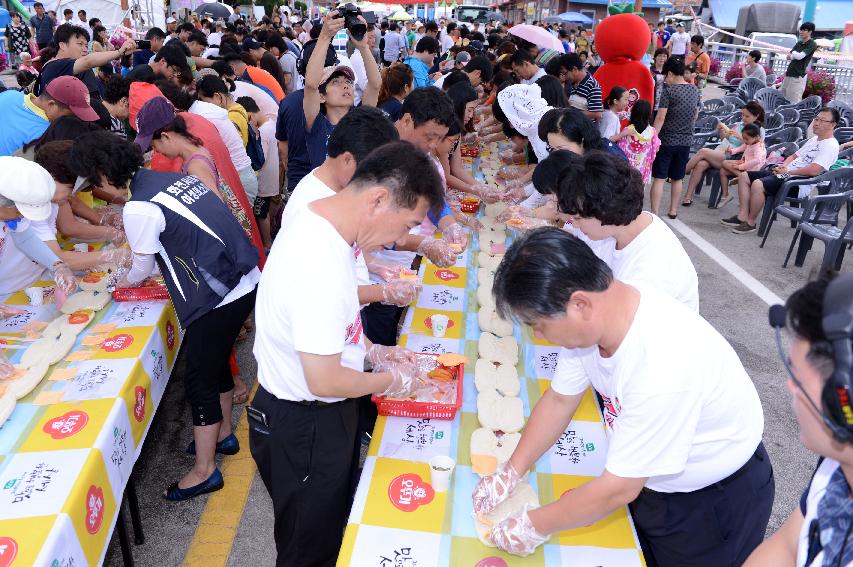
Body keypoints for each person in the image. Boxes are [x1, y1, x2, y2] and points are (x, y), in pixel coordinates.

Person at [475, 227, 771, 563]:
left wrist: (531, 524)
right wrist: (511, 470)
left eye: (538, 325)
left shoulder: (660, 364)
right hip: (649, 477)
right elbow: (560, 400)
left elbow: (618, 487)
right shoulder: (602, 317)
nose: (540, 337)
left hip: (709, 504)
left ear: (579, 304)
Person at [250, 141, 443, 566]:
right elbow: (326, 380)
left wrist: (375, 352)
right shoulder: (317, 258)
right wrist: (395, 381)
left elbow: (335, 325)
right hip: (306, 423)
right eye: (406, 224)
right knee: (308, 549)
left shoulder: (327, 228)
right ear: (378, 199)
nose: (400, 240)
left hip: (318, 415)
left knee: (327, 528)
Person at [71, 130, 259, 501]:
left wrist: (119, 285)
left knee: (199, 380)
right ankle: (222, 436)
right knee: (216, 362)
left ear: (105, 176)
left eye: (94, 184)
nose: (98, 192)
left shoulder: (139, 206)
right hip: (243, 280)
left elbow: (141, 264)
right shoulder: (172, 179)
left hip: (217, 294)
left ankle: (205, 472)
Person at [745, 273, 853, 567]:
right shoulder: (837, 466)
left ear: (845, 397)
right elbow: (789, 546)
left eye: (798, 378)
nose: (790, 387)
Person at [724, 107, 840, 234]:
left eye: (823, 121)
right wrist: (783, 166)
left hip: (798, 183)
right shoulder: (814, 140)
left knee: (758, 184)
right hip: (786, 174)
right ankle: (742, 216)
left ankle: (750, 223)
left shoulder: (831, 145)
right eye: (816, 119)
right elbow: (793, 156)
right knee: (744, 176)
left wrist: (787, 172)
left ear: (833, 124)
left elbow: (814, 171)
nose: (817, 123)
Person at [304, 12, 380, 169]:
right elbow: (311, 85)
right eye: (336, 82)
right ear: (321, 96)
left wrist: (363, 47)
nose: (345, 86)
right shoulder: (317, 125)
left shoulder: (359, 121)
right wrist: (325, 37)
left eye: (348, 81)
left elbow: (375, 85)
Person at [190, 75, 258, 204]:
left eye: (203, 100)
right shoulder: (236, 108)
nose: (203, 106)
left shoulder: (229, 117)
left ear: (217, 97)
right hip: (244, 174)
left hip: (239, 177)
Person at [683, 101, 766, 206]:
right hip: (723, 151)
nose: (743, 118)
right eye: (742, 115)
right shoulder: (739, 125)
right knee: (700, 164)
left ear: (756, 116)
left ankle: (681, 173)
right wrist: (722, 132)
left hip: (735, 157)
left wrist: (739, 137)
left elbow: (754, 147)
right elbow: (725, 139)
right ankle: (688, 196)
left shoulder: (759, 131)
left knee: (703, 151)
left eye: (747, 116)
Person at [649, 56, 700, 218]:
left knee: (659, 178)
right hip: (685, 141)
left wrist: (653, 137)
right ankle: (673, 210)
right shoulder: (694, 90)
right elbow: (695, 115)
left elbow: (661, 117)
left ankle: (655, 213)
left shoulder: (668, 91)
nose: (665, 79)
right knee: (677, 178)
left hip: (667, 141)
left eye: (665, 76)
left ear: (670, 74)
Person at [0, 75, 99, 156]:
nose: (74, 120)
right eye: (71, 115)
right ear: (51, 105)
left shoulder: (9, 95)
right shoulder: (46, 136)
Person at [36, 24, 136, 97]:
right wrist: (119, 52)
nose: (84, 49)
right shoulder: (55, 65)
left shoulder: (57, 65)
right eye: (80, 44)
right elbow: (88, 61)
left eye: (86, 45)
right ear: (62, 45)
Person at [237, 96, 279, 249]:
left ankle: (267, 244)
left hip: (263, 181)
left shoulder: (263, 131)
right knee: (265, 211)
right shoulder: (271, 124)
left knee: (261, 214)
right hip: (272, 177)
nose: (248, 125)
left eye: (247, 120)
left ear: (250, 115)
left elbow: (260, 158)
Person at [716, 123, 767, 207]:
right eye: (744, 139)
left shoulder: (758, 147)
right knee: (723, 170)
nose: (745, 141)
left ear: (757, 137)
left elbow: (757, 160)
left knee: (725, 163)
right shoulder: (750, 142)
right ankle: (725, 195)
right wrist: (732, 151)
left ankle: (742, 177)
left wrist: (740, 167)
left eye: (747, 139)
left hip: (752, 170)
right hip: (744, 164)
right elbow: (741, 148)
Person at [613, 99, 660, 184]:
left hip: (626, 170)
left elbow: (619, 149)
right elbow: (656, 149)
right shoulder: (652, 132)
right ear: (649, 114)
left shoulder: (627, 130)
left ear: (633, 113)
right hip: (642, 170)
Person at [781, 22, 818, 104]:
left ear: (810, 32)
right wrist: (794, 55)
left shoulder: (812, 44)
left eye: (804, 30)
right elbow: (788, 57)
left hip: (798, 75)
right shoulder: (799, 43)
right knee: (782, 98)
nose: (801, 32)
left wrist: (793, 54)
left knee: (794, 101)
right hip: (789, 73)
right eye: (801, 29)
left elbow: (800, 56)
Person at [562, 53, 603, 121]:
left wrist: (572, 113)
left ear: (574, 69)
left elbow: (597, 113)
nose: (565, 77)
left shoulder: (592, 85)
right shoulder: (572, 83)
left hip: (584, 129)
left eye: (565, 73)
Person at [649, 48, 667, 114]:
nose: (662, 58)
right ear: (655, 57)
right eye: (659, 55)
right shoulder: (649, 70)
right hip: (652, 100)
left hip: (664, 103)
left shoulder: (669, 72)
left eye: (664, 56)